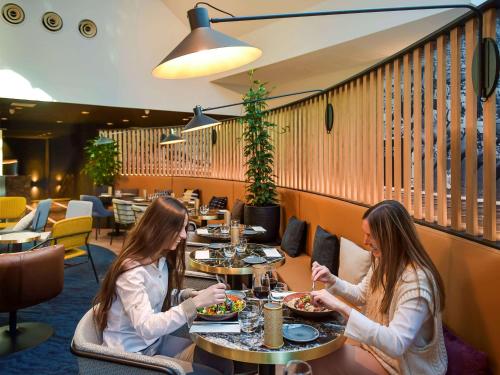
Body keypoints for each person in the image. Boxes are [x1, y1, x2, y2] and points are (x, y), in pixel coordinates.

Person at [93, 197, 233, 375]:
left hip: (156, 344)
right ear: (160, 228)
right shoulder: (132, 273)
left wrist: (187, 295)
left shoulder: (160, 259)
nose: (184, 236)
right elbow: (147, 328)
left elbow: (156, 297)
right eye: (179, 228)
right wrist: (194, 304)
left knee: (220, 356)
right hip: (132, 357)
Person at [309, 200, 447, 375]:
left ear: (391, 237)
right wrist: (332, 281)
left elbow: (396, 344)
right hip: (375, 351)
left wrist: (339, 306)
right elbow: (362, 295)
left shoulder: (416, 282)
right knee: (314, 348)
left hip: (402, 367)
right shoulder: (384, 260)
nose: (365, 241)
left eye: (370, 235)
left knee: (317, 359)